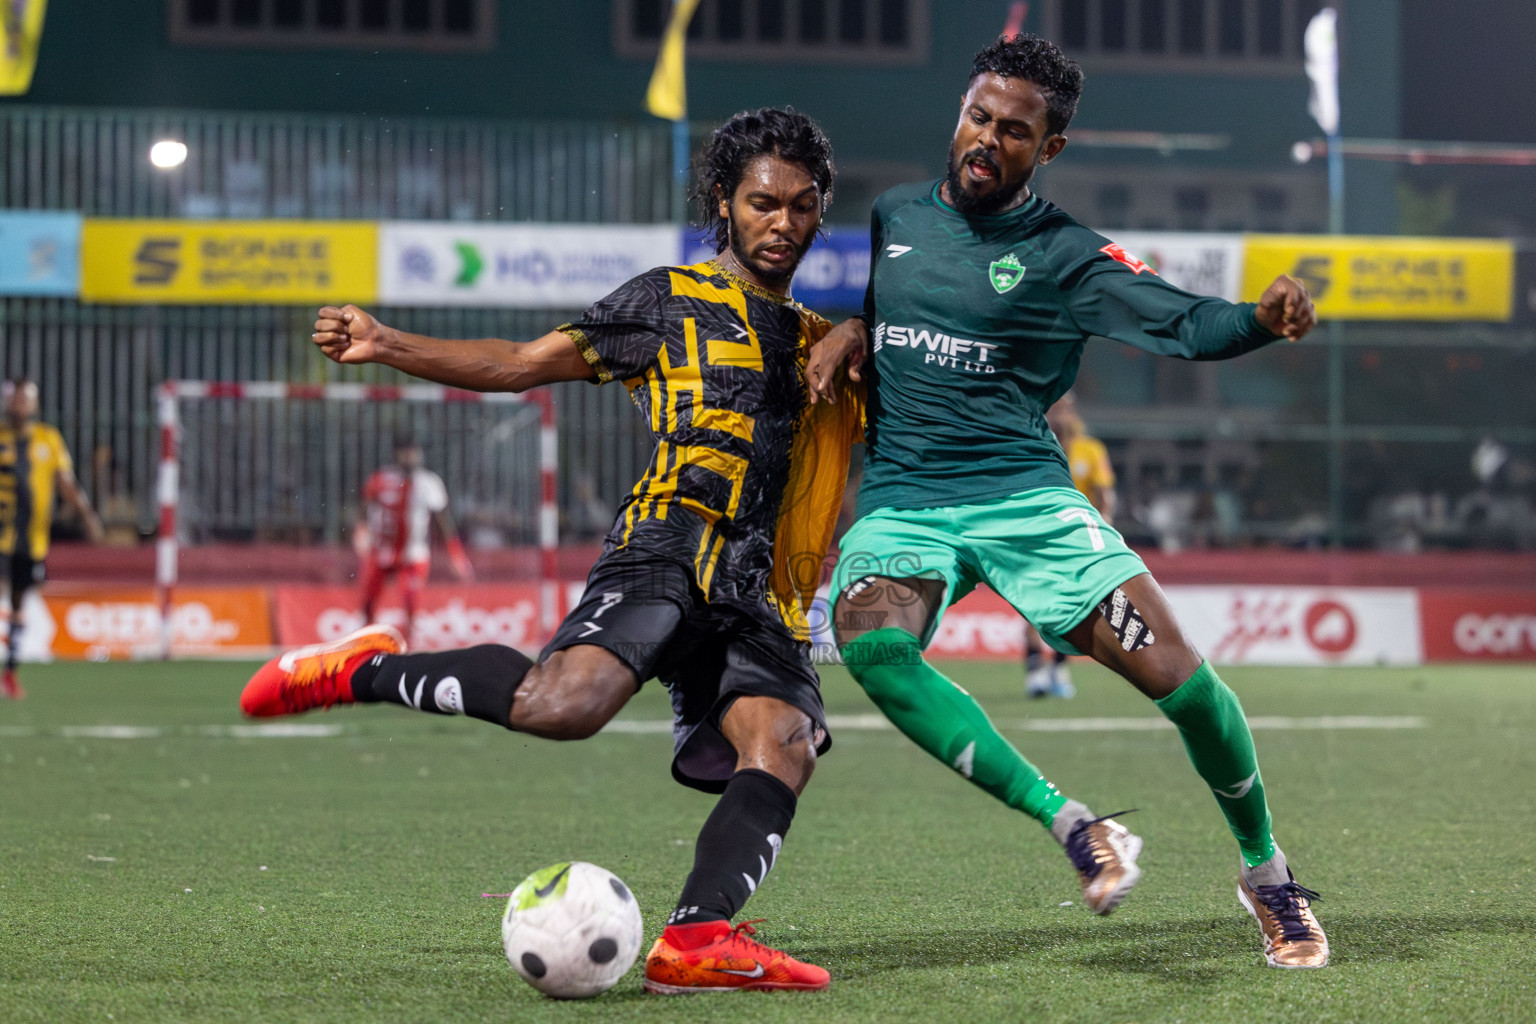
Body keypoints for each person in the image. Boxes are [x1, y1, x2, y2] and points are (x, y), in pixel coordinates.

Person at [240, 108, 862, 993]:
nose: (784, 223)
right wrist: (388, 344)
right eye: (764, 202)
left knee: (786, 742)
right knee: (563, 707)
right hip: (670, 540)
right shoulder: (666, 300)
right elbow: (518, 362)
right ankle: (358, 669)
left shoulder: (816, 338)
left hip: (758, 585)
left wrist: (859, 329)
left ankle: (697, 939)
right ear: (724, 204)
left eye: (803, 206)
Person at [807, 35, 1329, 969]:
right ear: (959, 112)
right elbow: (895, 311)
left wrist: (1258, 320)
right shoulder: (893, 216)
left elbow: (1182, 322)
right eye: (978, 116)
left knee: (1188, 688)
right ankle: (1074, 822)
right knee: (873, 645)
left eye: (1013, 131)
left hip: (1025, 501)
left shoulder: (1068, 255)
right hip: (904, 502)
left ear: (1047, 149)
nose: (986, 139)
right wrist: (854, 327)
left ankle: (1267, 873)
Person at [0, 377, 105, 698]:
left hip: (32, 540)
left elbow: (66, 483)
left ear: (35, 405)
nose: (20, 405)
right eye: (16, 399)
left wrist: (87, 515)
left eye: (26, 399)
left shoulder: (48, 439)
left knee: (19, 603)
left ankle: (10, 673)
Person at [1024, 391, 1116, 698]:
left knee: (1072, 606)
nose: (1059, 416)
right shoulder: (1031, 446)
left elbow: (1104, 493)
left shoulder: (1089, 450)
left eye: (1064, 409)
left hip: (1077, 541)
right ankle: (1035, 671)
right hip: (1037, 536)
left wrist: (1103, 525)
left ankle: (1059, 668)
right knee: (1031, 605)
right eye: (1054, 409)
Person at [356, 435, 473, 641]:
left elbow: (442, 519)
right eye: (406, 452)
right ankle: (364, 642)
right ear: (396, 454)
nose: (410, 457)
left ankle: (408, 645)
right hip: (380, 550)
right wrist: (361, 530)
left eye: (414, 452)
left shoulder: (429, 482)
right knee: (368, 600)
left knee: (410, 601)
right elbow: (365, 507)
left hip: (413, 554)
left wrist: (455, 553)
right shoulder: (380, 479)